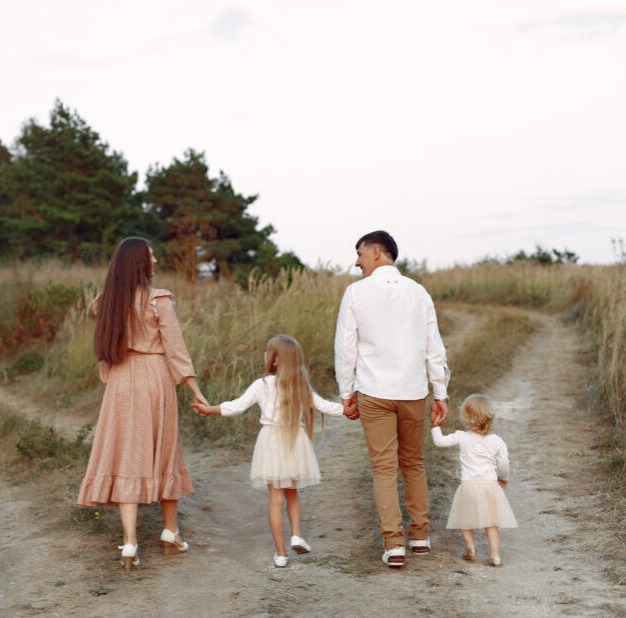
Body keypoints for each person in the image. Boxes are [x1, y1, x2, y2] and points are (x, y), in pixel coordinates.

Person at [77, 237, 207, 571]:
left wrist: (111, 371)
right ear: (139, 263)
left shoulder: (104, 302)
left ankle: (130, 543)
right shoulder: (158, 300)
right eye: (151, 256)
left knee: (126, 454)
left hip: (121, 380)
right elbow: (175, 347)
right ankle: (170, 531)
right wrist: (194, 388)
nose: (156, 260)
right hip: (154, 376)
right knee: (165, 450)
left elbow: (105, 347)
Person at [334, 230, 451, 567]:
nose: (356, 262)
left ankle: (394, 544)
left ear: (377, 252)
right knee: (413, 463)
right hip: (413, 391)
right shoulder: (419, 293)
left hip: (374, 392)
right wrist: (440, 393)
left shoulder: (355, 293)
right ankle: (419, 536)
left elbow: (346, 348)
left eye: (359, 254)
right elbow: (434, 349)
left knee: (384, 468)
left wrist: (346, 394)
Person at [194, 334, 343, 567]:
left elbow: (236, 407)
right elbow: (324, 406)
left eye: (267, 352)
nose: (264, 355)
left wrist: (209, 409)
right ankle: (296, 535)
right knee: (292, 492)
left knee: (276, 498)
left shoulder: (262, 385)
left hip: (271, 441)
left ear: (274, 361)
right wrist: (350, 409)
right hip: (295, 440)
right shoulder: (299, 384)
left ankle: (281, 554)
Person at [431, 393, 517, 567]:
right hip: (489, 486)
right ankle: (495, 556)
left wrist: (436, 425)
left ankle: (470, 547)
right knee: (491, 523)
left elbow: (439, 442)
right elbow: (504, 464)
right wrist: (504, 478)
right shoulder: (497, 441)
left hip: (468, 485)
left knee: (464, 518)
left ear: (466, 416)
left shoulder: (462, 437)